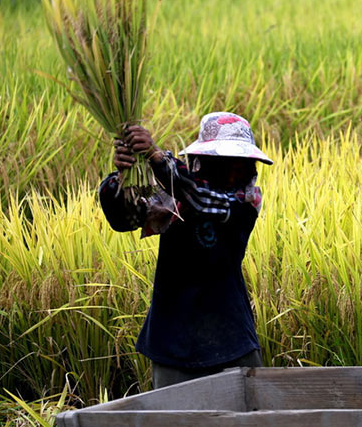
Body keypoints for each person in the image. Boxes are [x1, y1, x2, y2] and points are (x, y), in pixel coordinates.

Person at [98, 112, 273, 389]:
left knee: (243, 426)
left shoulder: (244, 202)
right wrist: (124, 174)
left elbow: (198, 195)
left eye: (239, 164)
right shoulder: (171, 197)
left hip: (231, 339)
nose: (233, 171)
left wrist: (156, 156)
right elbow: (123, 219)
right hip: (172, 340)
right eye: (223, 163)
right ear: (203, 162)